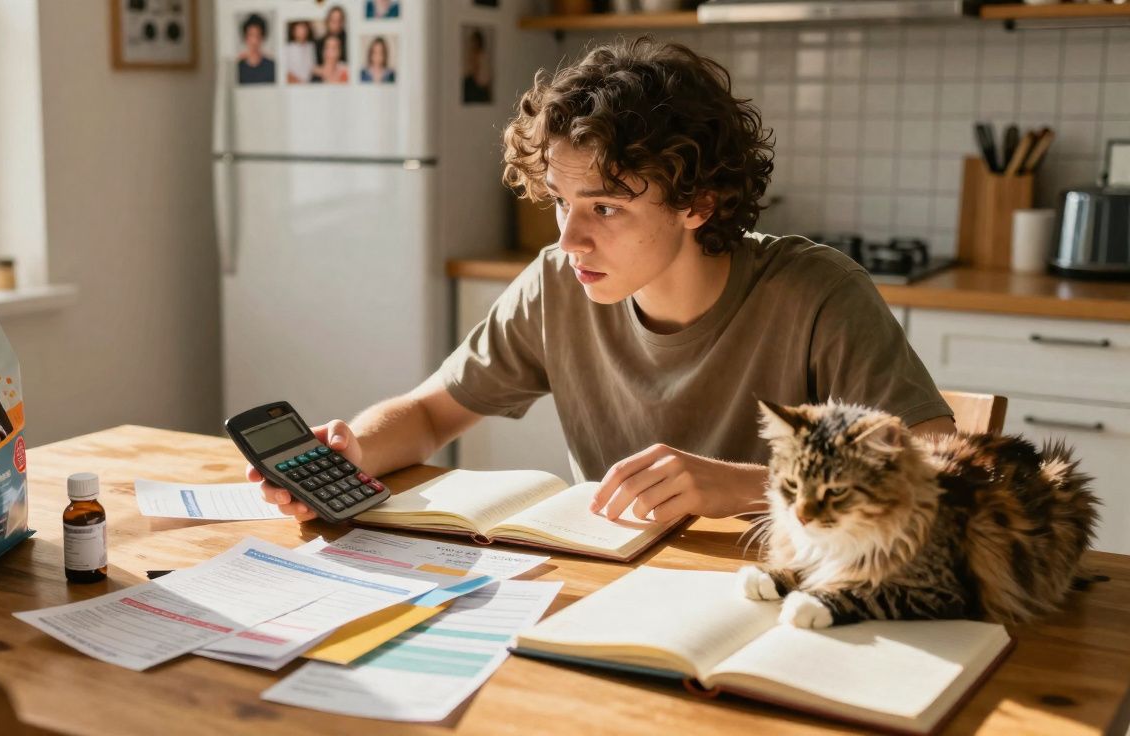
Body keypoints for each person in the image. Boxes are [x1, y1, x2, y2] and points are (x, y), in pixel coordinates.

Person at [251, 38, 956, 523]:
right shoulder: (560, 282)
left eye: (607, 207)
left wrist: (745, 486)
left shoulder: (817, 295)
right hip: (616, 585)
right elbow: (434, 412)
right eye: (562, 201)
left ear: (696, 203)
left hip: (788, 604)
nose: (568, 239)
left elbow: (942, 474)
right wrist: (354, 449)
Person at [236, 13, 275, 85]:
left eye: (257, 35)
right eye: (251, 35)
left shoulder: (271, 66)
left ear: (262, 37)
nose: (254, 41)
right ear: (245, 37)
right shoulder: (238, 67)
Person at [461, 28, 492, 103]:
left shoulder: (483, 57)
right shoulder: (471, 56)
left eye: (475, 42)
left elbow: (484, 79)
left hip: (480, 89)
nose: (473, 45)